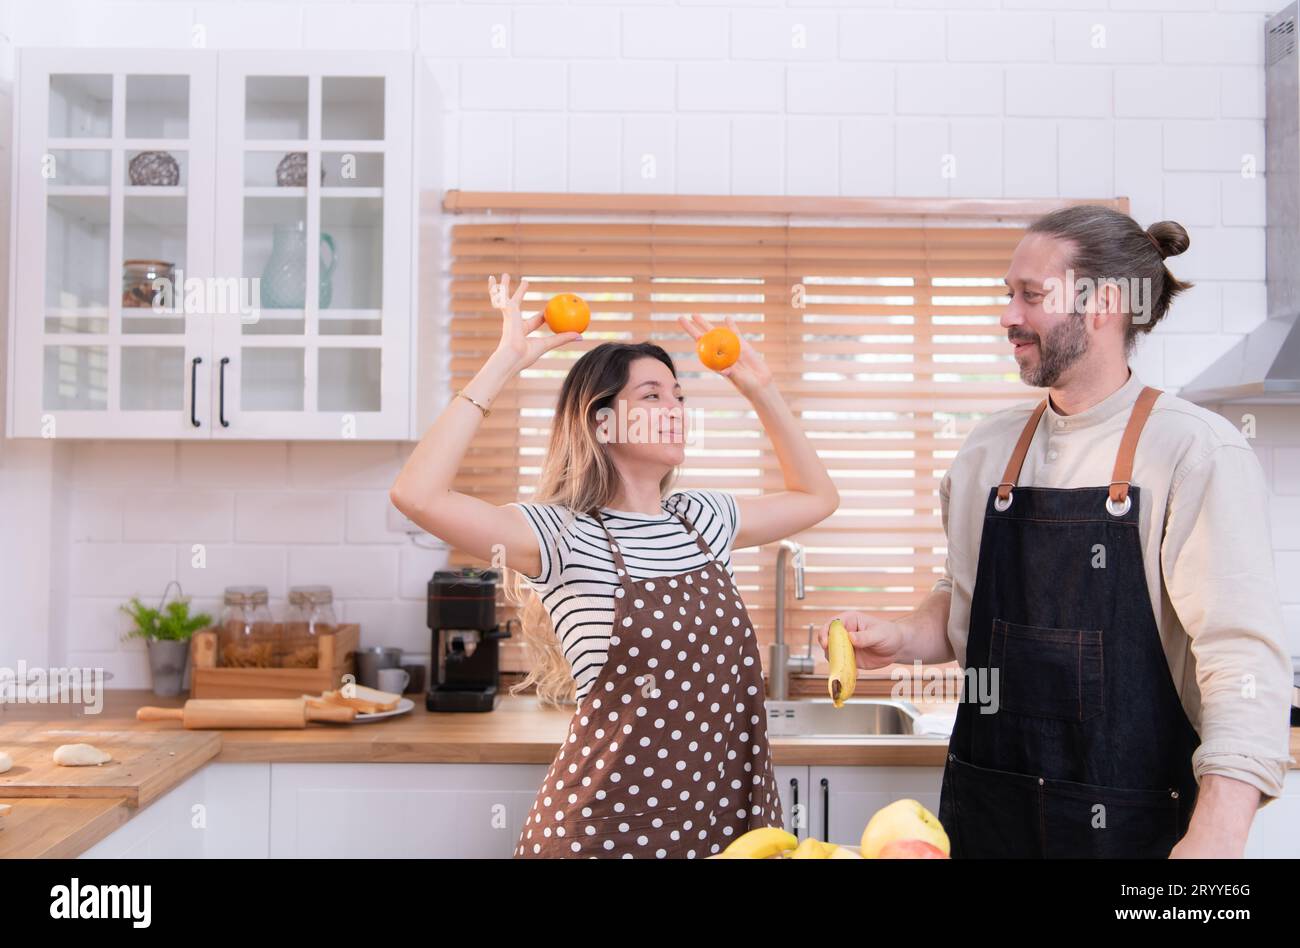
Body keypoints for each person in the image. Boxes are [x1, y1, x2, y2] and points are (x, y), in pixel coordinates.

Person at [820, 206, 1293, 858]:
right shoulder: (989, 450)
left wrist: (1218, 831)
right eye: (1008, 295)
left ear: (1103, 304)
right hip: (988, 817)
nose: (1008, 316)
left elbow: (1241, 660)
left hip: (1138, 827)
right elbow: (961, 601)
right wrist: (902, 636)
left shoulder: (1193, 450)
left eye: (1030, 296)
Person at [390, 273, 839, 858]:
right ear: (601, 423)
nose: (675, 408)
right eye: (652, 396)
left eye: (680, 396)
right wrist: (505, 361)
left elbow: (817, 498)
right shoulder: (563, 534)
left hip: (726, 832)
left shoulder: (702, 520)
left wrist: (761, 390)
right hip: (602, 835)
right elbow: (417, 494)